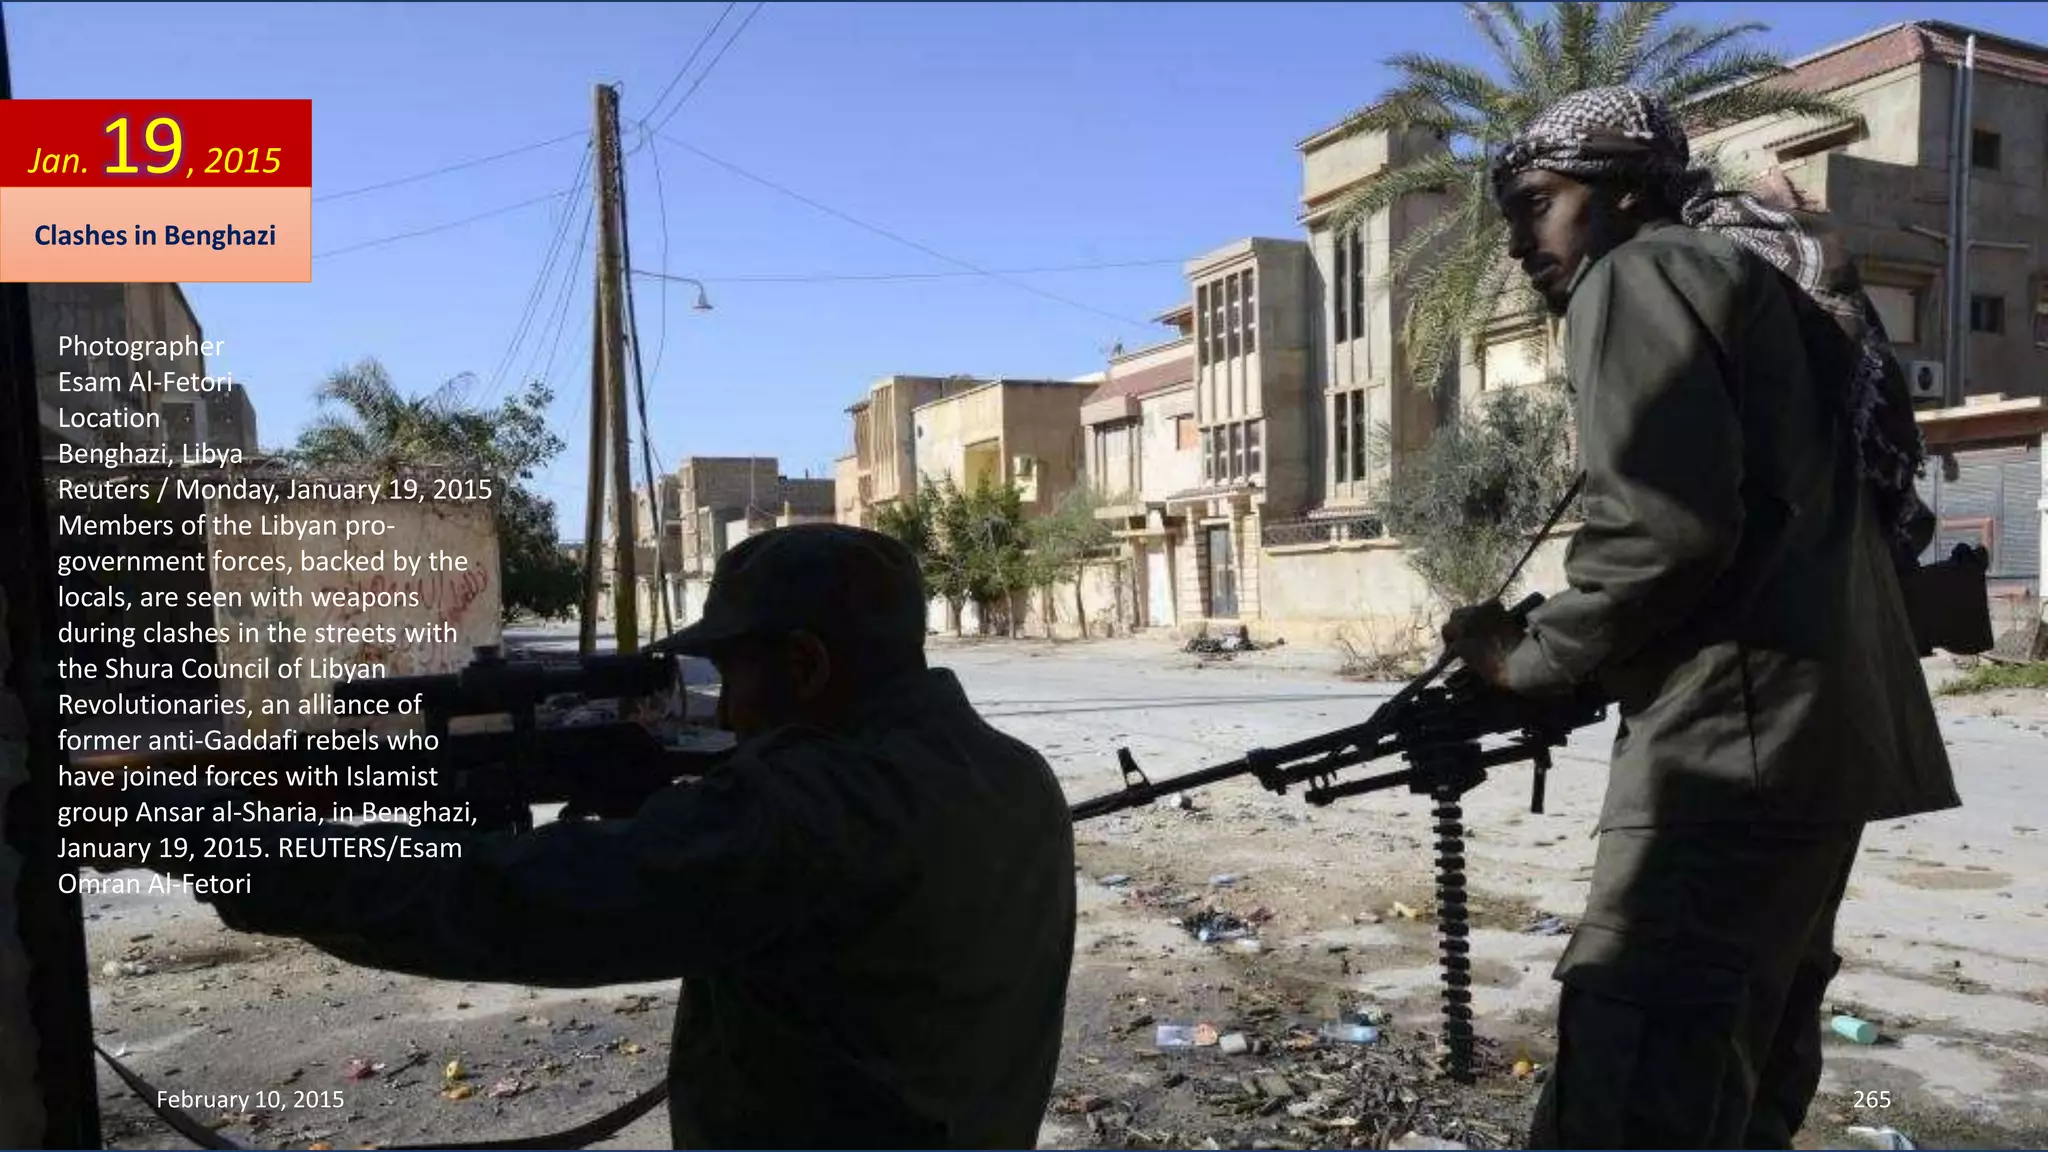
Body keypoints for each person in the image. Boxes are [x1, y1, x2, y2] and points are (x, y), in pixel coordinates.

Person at [113, 523, 1078, 1149]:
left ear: (807, 664)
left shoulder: (810, 804)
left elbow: (516, 906)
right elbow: (821, 919)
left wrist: (245, 852)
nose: (728, 711)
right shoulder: (1008, 773)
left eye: (733, 677)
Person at [1445, 87, 1960, 1149]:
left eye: (1535, 203)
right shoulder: (1745, 281)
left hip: (1728, 755)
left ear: (1623, 191)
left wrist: (1527, 660)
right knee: (1740, 1070)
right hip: (1816, 749)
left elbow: (1662, 534)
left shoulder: (1638, 271)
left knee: (1637, 1079)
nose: (1515, 241)